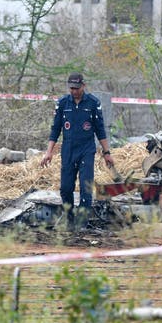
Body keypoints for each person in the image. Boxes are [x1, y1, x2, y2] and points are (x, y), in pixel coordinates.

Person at [41, 73, 114, 231]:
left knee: (85, 187)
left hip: (86, 149)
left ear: (83, 86)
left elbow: (100, 130)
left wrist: (107, 152)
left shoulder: (93, 103)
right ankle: (69, 217)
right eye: (71, 88)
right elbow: (55, 129)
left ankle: (82, 223)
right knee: (66, 188)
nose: (74, 91)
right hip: (68, 149)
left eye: (77, 88)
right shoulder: (62, 103)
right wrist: (49, 152)